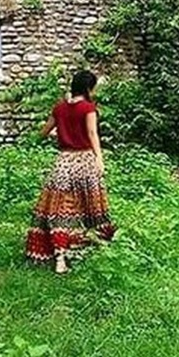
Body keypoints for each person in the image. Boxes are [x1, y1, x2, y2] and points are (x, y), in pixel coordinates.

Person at [24, 70, 115, 273]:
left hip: (63, 163)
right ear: (88, 88)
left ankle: (60, 259)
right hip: (84, 161)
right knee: (90, 207)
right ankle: (90, 247)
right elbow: (92, 133)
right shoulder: (88, 108)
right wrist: (100, 158)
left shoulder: (59, 109)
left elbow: (44, 132)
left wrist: (59, 131)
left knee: (59, 210)